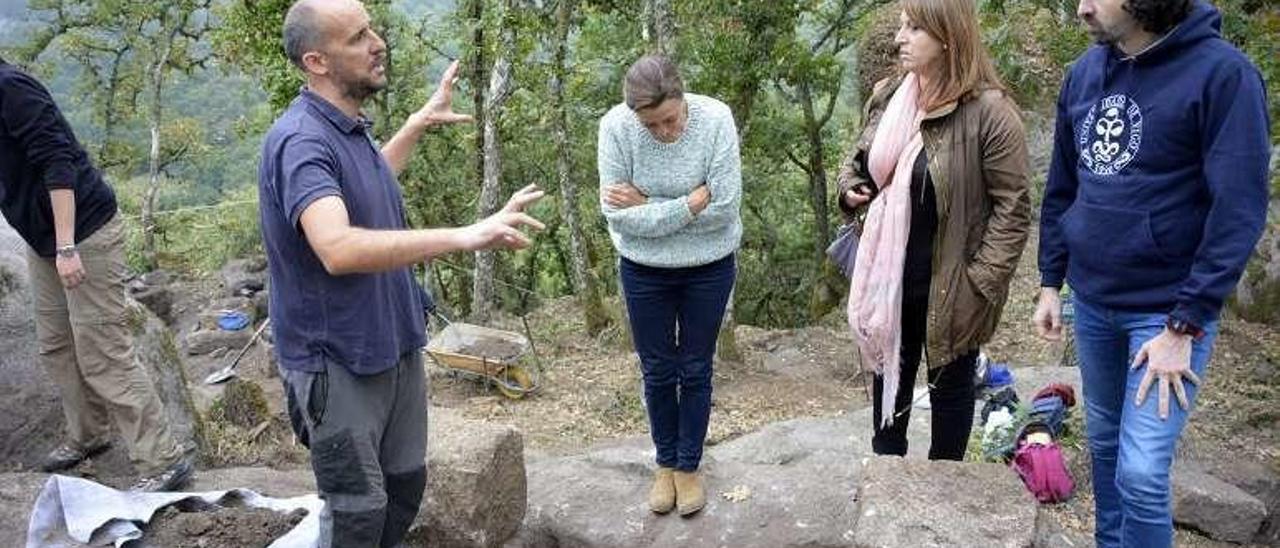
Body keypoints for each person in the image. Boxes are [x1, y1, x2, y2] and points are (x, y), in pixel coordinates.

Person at [262, 1, 544, 546]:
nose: (377, 42)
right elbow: (337, 245)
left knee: (403, 489)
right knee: (356, 510)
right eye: (357, 37)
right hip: (337, 359)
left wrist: (414, 126)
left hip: (391, 344)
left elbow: (363, 186)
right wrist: (466, 234)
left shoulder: (345, 127)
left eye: (372, 28)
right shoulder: (301, 140)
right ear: (317, 61)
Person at [1032, 0, 1270, 545]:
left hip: (1166, 315)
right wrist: (1051, 280)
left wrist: (1184, 324)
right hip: (1092, 303)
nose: (1082, 8)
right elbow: (1063, 187)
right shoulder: (1086, 72)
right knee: (1106, 449)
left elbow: (1237, 212)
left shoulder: (1224, 76)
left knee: (1140, 473)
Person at [836, 0, 1030, 461]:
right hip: (890, 278)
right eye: (902, 27)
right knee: (889, 379)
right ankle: (886, 480)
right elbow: (859, 159)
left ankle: (945, 492)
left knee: (951, 392)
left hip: (952, 282)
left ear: (947, 36)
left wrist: (980, 282)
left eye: (913, 28)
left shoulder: (990, 113)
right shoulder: (890, 96)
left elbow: (1014, 208)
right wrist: (849, 191)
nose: (900, 38)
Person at [0, 58, 193, 492]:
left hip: (82, 232)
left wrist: (67, 246)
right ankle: (89, 433)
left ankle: (162, 458)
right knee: (56, 343)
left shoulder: (12, 88)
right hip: (42, 237)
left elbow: (57, 162)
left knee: (103, 350)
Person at [597, 54, 742, 517]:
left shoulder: (716, 118)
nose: (664, 131)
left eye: (670, 119)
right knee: (658, 369)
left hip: (709, 265)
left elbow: (725, 206)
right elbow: (619, 216)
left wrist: (650, 203)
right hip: (643, 269)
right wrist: (687, 203)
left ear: (684, 99)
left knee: (696, 368)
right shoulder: (615, 128)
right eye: (652, 124)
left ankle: (689, 466)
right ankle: (664, 462)